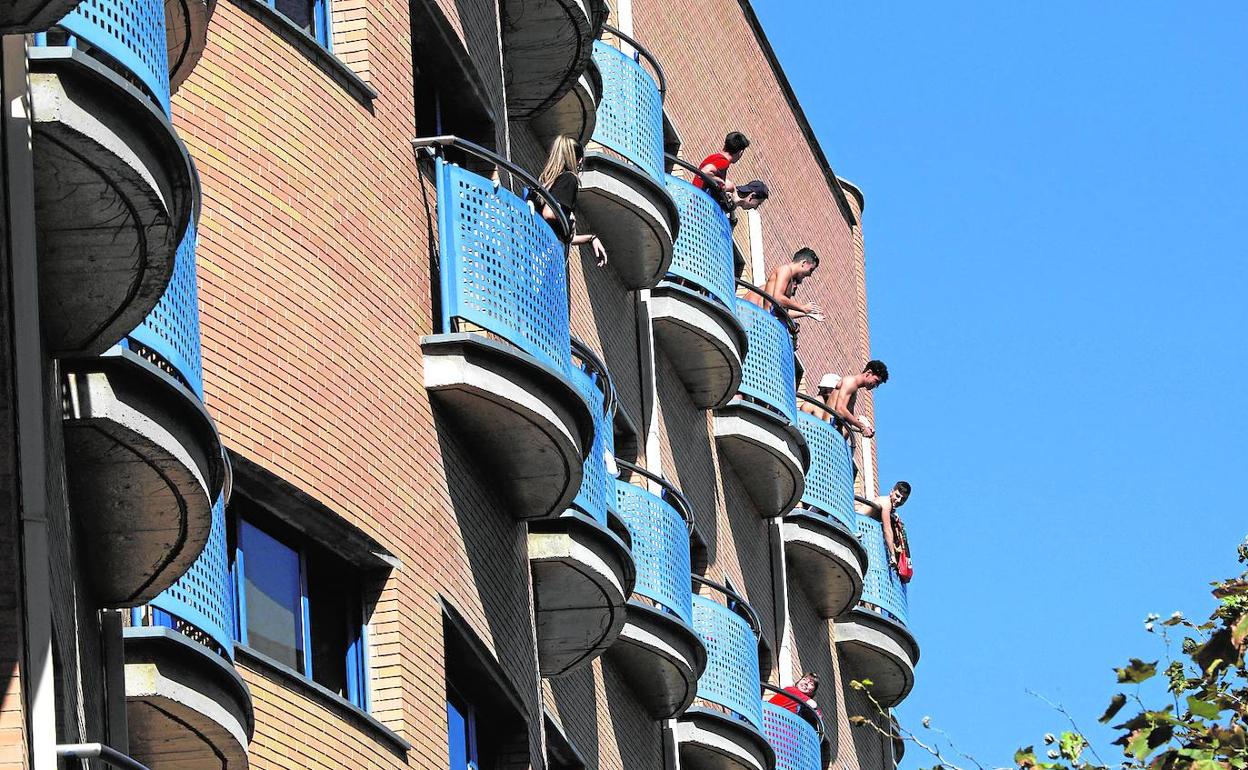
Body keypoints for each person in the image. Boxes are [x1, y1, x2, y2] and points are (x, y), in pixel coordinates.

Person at [534, 135, 608, 267]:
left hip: (538, 247)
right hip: (545, 255)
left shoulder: (547, 184)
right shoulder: (569, 179)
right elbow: (549, 213)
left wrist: (591, 238)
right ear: (578, 160)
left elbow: (565, 236)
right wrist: (569, 218)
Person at [748, 248, 823, 324]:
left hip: (768, 323)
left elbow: (782, 310)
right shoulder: (785, 270)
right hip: (761, 320)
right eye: (811, 270)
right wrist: (802, 307)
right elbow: (778, 298)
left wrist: (806, 313)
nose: (810, 275)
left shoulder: (789, 279)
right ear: (804, 263)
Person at [819, 360, 889, 438]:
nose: (876, 386)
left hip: (833, 435)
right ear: (869, 372)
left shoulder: (854, 389)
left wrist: (866, 426)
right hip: (827, 432)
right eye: (876, 381)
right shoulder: (850, 381)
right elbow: (840, 410)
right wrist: (862, 427)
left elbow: (849, 419)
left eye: (878, 384)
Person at [866, 481, 912, 575]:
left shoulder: (891, 509)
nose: (899, 500)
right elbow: (887, 530)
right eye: (897, 496)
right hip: (853, 528)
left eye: (903, 499)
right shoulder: (886, 502)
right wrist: (892, 556)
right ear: (891, 492)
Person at [693, 131, 750, 196]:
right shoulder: (723, 162)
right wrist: (720, 181)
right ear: (740, 152)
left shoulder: (714, 157)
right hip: (698, 201)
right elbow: (704, 172)